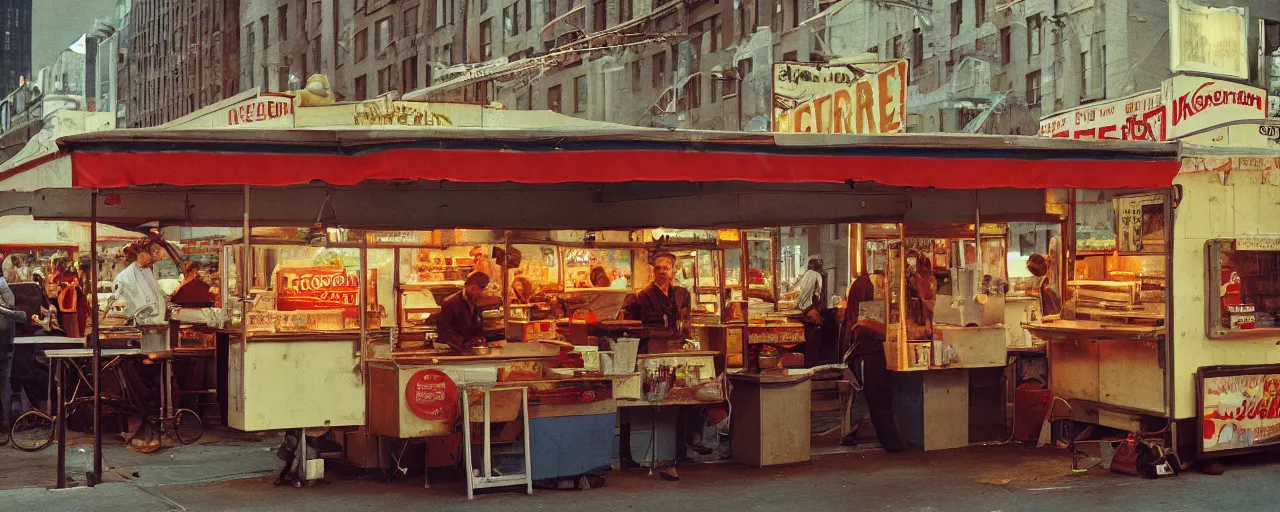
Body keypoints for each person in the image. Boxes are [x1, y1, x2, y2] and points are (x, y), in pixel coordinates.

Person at [840, 317, 909, 452]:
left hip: (874, 354)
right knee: (879, 401)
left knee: (879, 401)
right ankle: (894, 444)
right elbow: (864, 323)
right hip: (872, 354)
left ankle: (894, 442)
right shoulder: (867, 321)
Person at [619, 252, 691, 349]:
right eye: (658, 268)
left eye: (666, 268)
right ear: (653, 271)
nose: (662, 271)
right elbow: (625, 325)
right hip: (650, 348)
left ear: (672, 271)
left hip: (676, 347)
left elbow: (686, 322)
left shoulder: (681, 294)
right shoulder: (641, 297)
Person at [0, 274, 29, 444]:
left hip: (4, 347)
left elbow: (18, 313)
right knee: (4, 383)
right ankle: (5, 425)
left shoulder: (2, 285)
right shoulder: (4, 286)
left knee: (4, 383)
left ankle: (5, 424)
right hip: (6, 346)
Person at [111, 238, 168, 326]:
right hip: (140, 325)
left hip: (156, 323)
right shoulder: (124, 277)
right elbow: (121, 305)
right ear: (141, 254)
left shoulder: (147, 270)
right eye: (152, 254)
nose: (154, 259)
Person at [434, 272, 491, 353]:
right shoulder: (450, 302)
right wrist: (464, 342)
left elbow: (477, 326)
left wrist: (479, 337)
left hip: (470, 349)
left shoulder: (475, 301)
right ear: (472, 288)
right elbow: (444, 330)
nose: (481, 293)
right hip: (455, 351)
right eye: (481, 289)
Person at [784, 258, 826, 365]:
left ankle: (810, 366)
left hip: (810, 312)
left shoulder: (812, 275)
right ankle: (811, 366)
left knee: (811, 346)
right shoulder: (814, 275)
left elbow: (804, 294)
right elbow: (807, 294)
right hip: (811, 312)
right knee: (812, 347)